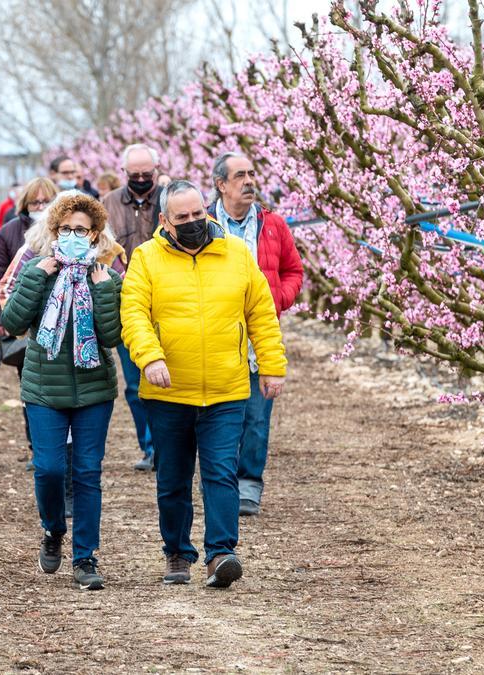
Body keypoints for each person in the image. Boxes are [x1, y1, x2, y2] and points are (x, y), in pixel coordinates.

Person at [121, 180, 287, 589]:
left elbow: (261, 314)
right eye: (183, 217)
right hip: (168, 391)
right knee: (173, 478)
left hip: (226, 388)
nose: (194, 222)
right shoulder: (145, 259)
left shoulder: (235, 254)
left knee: (220, 473)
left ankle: (220, 554)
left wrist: (272, 365)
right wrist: (150, 356)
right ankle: (177, 554)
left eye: (199, 213)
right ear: (164, 220)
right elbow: (134, 315)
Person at [1, 192, 123, 591]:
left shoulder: (106, 277)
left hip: (93, 390)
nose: (73, 235)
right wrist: (38, 275)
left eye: (81, 230)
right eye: (67, 229)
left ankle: (85, 557)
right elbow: (13, 322)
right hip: (44, 387)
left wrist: (104, 290)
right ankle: (53, 530)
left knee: (87, 473)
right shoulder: (38, 268)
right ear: (55, 231)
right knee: (50, 468)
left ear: (94, 236)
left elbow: (110, 336)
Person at [209, 152, 304, 517]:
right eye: (239, 176)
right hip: (215, 335)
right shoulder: (202, 224)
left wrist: (276, 298)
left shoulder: (273, 225)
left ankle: (249, 483)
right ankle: (220, 482)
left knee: (256, 416)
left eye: (252, 174)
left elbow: (294, 271)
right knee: (217, 415)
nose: (249, 181)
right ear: (221, 184)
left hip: (259, 336)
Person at [0, 178, 60, 467]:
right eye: (35, 202)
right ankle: (36, 446)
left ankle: (58, 448)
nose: (40, 207)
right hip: (23, 326)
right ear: (25, 205)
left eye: (46, 201)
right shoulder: (10, 233)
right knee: (31, 390)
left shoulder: (66, 233)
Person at [102, 144, 163, 471]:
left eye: (146, 174)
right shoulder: (109, 203)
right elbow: (98, 246)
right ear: (124, 173)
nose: (141, 180)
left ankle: (165, 446)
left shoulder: (169, 198)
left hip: (165, 302)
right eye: (134, 175)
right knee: (135, 385)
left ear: (156, 170)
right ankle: (149, 447)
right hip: (125, 302)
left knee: (168, 378)